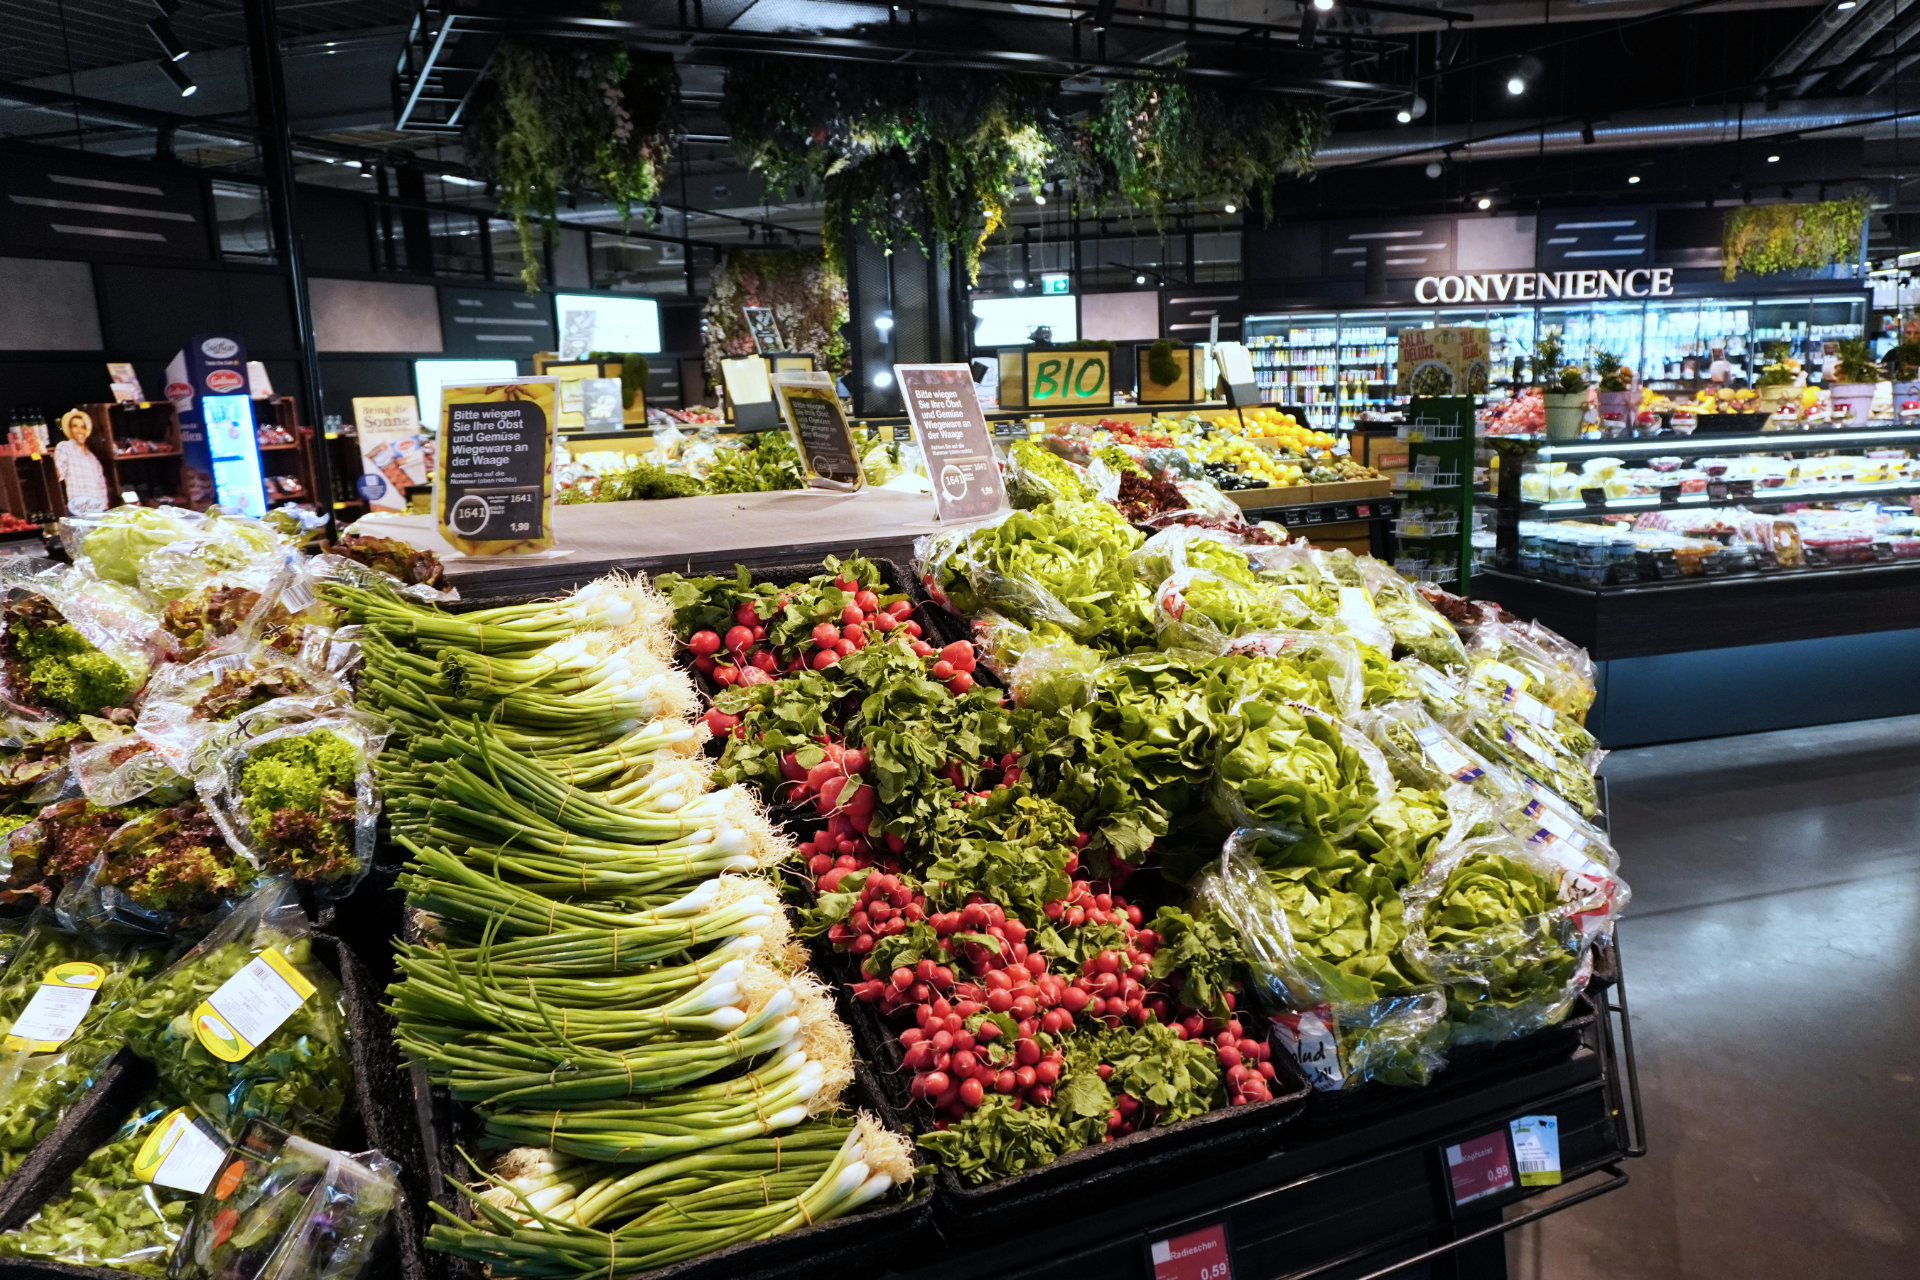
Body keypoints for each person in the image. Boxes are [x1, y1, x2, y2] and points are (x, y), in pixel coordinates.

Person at [54, 409, 109, 515]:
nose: (80, 431)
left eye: (83, 427)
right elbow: (59, 474)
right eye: (75, 426)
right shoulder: (65, 447)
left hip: (96, 510)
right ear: (69, 430)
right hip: (78, 510)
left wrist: (105, 509)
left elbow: (101, 487)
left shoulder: (93, 458)